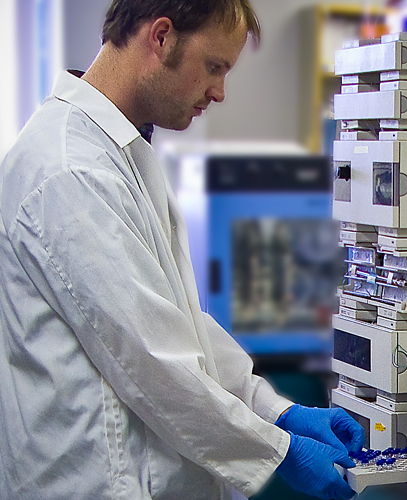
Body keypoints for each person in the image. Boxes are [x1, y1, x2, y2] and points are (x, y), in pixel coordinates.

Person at [0, 1, 364, 499]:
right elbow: (152, 360)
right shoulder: (71, 171)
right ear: (161, 37)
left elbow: (174, 320)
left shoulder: (118, 153)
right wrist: (276, 450)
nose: (218, 91)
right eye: (215, 67)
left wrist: (278, 410)